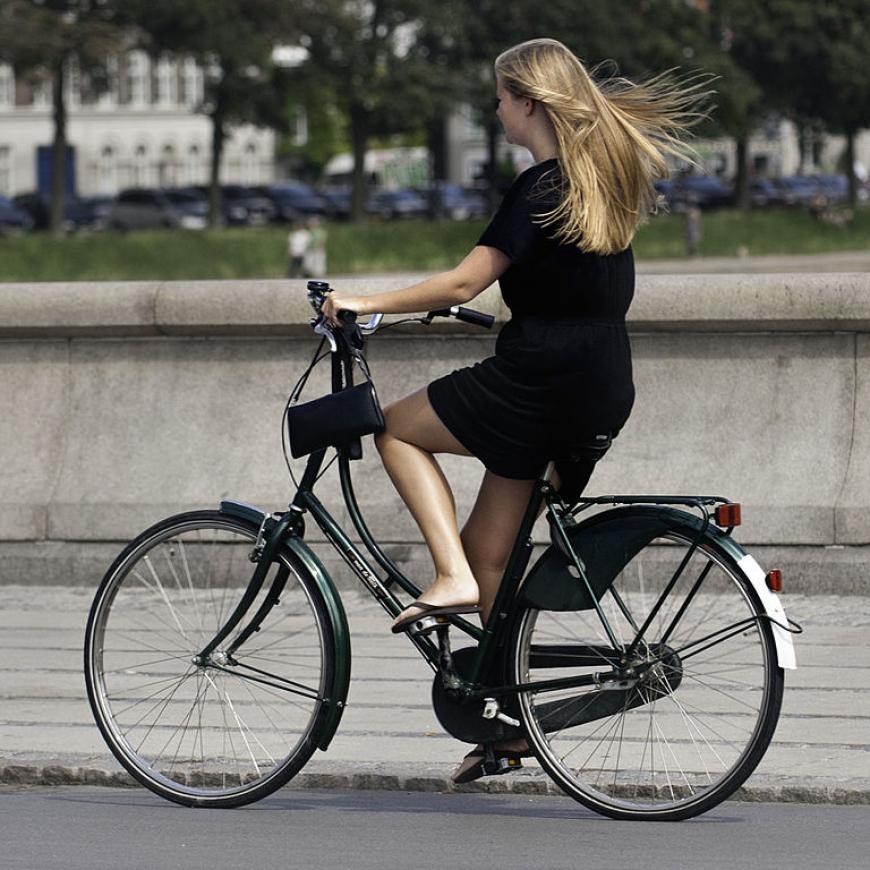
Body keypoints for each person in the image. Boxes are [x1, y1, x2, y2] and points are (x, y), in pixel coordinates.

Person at [322, 37, 707, 783]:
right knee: (490, 549)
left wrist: (365, 301)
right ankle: (509, 719)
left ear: (528, 102)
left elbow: (464, 282)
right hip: (599, 386)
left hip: (539, 382)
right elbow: (570, 288)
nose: (494, 108)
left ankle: (447, 582)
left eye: (500, 96)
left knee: (394, 427)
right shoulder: (602, 181)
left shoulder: (540, 186)